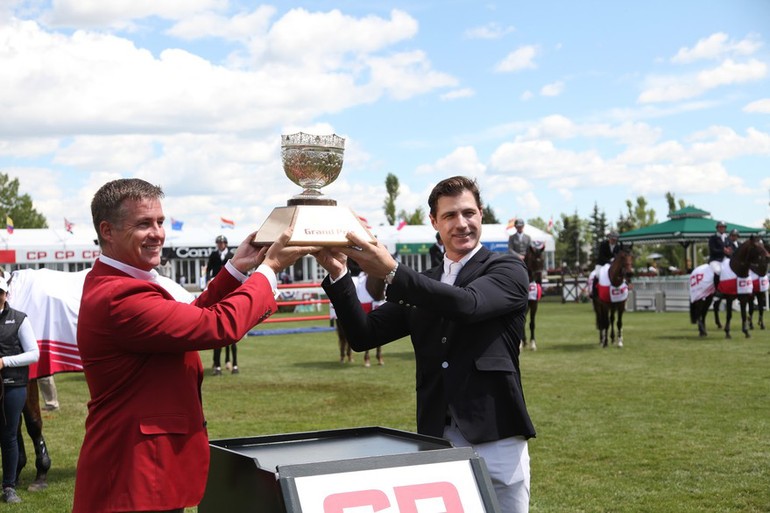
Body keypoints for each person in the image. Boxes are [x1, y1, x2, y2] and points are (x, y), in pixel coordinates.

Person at [72, 178, 317, 513]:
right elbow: (217, 325)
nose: (157, 233)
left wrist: (236, 267)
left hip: (143, 470)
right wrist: (269, 270)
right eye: (144, 224)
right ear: (108, 231)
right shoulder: (119, 295)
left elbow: (190, 319)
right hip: (133, 474)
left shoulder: (117, 285)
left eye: (159, 221)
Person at [315, 176, 535, 512]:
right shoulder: (424, 283)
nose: (461, 224)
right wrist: (338, 274)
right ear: (434, 222)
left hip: (498, 436)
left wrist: (392, 270)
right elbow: (364, 336)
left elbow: (467, 304)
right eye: (449, 216)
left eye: (469, 213)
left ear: (481, 215)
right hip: (436, 438)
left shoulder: (507, 269)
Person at [0, 275, 40, 504]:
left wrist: (5, 361)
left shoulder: (19, 319)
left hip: (12, 386)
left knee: (9, 436)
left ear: (6, 294)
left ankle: (9, 486)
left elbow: (33, 354)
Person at [207, 235, 237, 375]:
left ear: (226, 244)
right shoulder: (213, 255)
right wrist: (207, 282)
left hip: (228, 287)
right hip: (215, 287)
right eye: (218, 243)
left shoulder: (231, 255)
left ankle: (231, 361)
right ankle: (218, 363)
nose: (220, 245)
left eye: (222, 243)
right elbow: (208, 270)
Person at [708, 221, 729, 285]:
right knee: (718, 271)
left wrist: (730, 251)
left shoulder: (727, 238)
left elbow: (730, 248)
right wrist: (723, 250)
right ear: (717, 228)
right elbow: (713, 250)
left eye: (723, 227)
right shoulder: (713, 238)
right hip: (715, 260)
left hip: (725, 259)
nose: (722, 228)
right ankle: (717, 287)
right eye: (720, 227)